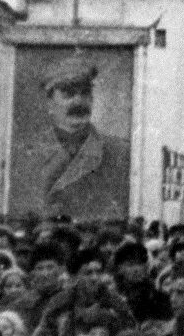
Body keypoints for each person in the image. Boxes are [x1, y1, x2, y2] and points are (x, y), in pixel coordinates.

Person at [28, 55, 130, 221]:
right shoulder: (28, 153)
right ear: (49, 103)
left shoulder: (119, 152)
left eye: (85, 93)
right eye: (68, 94)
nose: (79, 101)